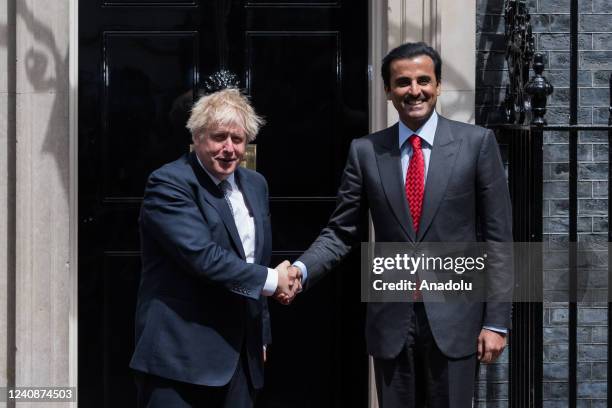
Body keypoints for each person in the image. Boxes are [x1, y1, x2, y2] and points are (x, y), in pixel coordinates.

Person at [289, 42, 513, 407]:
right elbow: (340, 232)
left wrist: (496, 322)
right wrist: (301, 270)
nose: (414, 91)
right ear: (388, 90)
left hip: (456, 319)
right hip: (391, 320)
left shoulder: (477, 144)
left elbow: (498, 239)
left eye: (424, 80)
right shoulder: (365, 151)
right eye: (403, 82)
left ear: (438, 85)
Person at [129, 88, 300, 408]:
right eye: (219, 137)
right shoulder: (169, 183)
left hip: (240, 360)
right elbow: (202, 257)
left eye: (238, 139)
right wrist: (274, 280)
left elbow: (253, 258)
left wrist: (260, 334)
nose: (229, 148)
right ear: (196, 136)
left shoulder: (255, 184)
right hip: (180, 359)